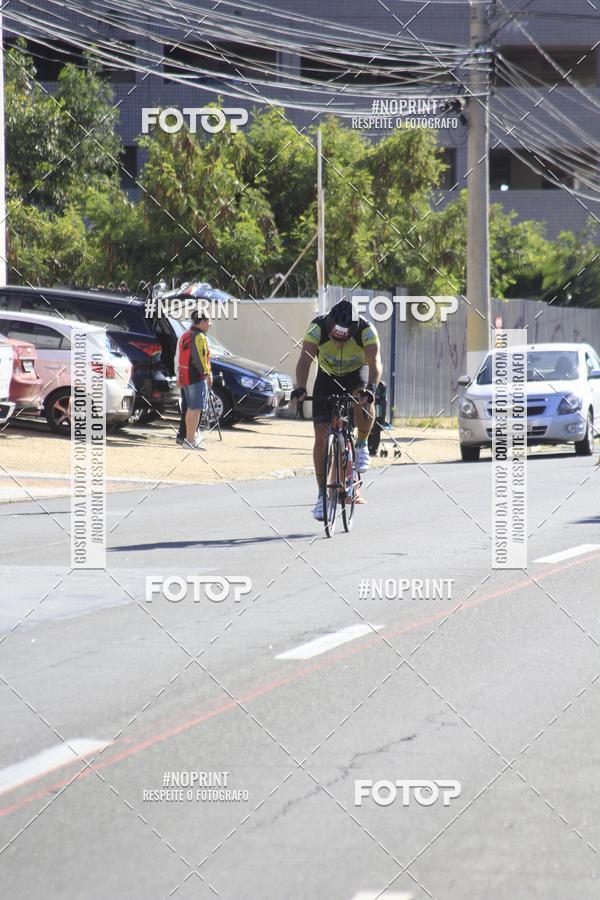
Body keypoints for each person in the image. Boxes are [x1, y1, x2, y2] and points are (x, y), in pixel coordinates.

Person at [292, 299, 382, 521]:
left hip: (355, 374)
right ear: (330, 328)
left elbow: (375, 362)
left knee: (363, 398)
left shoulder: (366, 330)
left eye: (345, 339)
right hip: (327, 377)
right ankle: (322, 496)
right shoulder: (317, 327)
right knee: (320, 437)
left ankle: (361, 444)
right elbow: (305, 360)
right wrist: (301, 388)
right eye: (335, 339)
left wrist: (370, 389)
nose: (340, 343)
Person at [175, 309, 212, 450]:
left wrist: (179, 376)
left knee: (190, 408)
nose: (210, 324)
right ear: (202, 322)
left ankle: (188, 438)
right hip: (196, 377)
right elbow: (200, 358)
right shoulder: (200, 337)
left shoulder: (185, 335)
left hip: (185, 376)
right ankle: (190, 440)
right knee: (195, 409)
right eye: (208, 321)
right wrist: (207, 374)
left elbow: (179, 357)